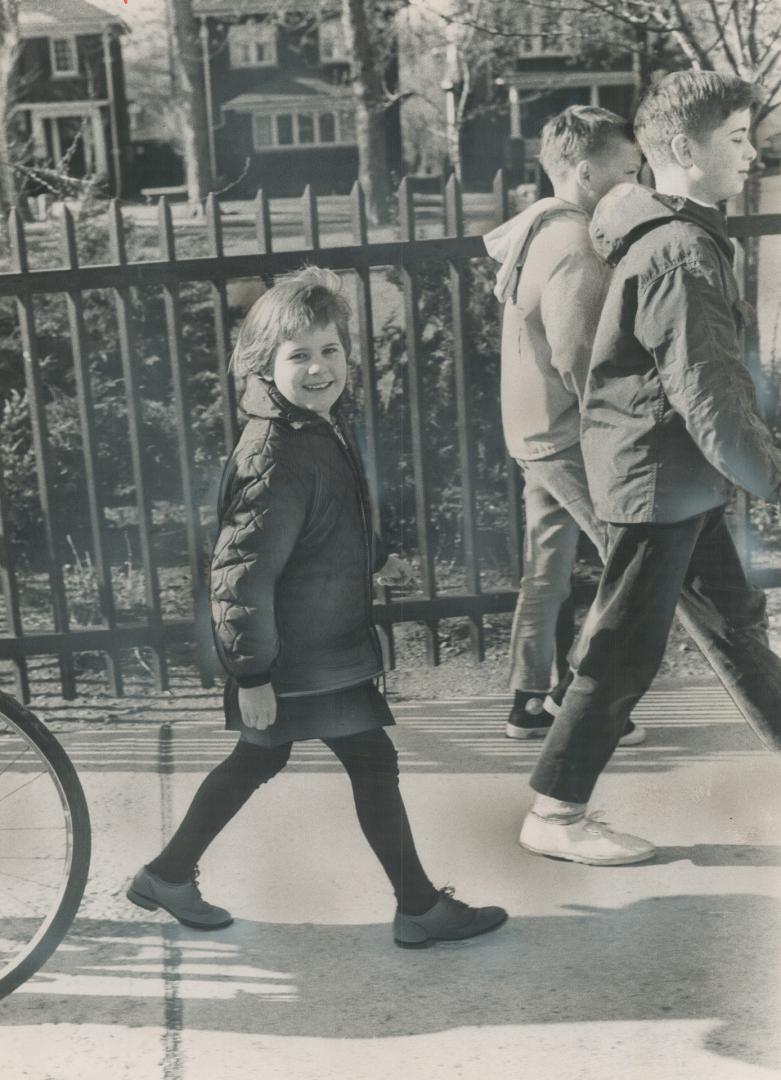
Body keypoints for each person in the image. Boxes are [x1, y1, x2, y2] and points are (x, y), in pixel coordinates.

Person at [127, 268, 507, 948]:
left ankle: (169, 873)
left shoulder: (310, 428)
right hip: (298, 654)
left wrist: (372, 554)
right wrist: (253, 676)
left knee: (272, 759)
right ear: (263, 366)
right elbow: (240, 574)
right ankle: (416, 907)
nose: (318, 367)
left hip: (316, 647)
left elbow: (324, 523)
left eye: (329, 351)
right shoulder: (277, 451)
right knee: (361, 759)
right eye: (298, 355)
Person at [518, 70, 781, 866]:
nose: (750, 153)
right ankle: (554, 811)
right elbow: (708, 398)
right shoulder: (677, 251)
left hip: (677, 477)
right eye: (734, 140)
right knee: (623, 646)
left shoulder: (683, 234)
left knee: (735, 627)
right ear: (681, 149)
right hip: (657, 481)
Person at [484, 106, 646, 745]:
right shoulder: (576, 243)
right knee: (632, 562)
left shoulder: (534, 229)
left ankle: (527, 700)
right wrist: (620, 430)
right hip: (567, 431)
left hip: (530, 430)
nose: (635, 184)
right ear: (585, 171)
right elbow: (580, 356)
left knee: (547, 565)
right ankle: (577, 693)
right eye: (627, 172)